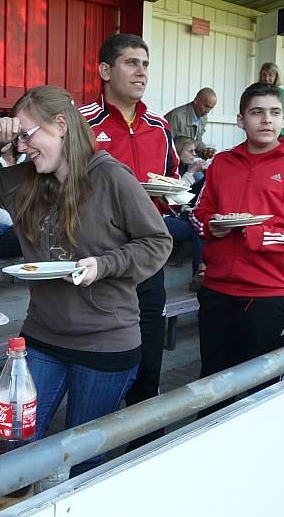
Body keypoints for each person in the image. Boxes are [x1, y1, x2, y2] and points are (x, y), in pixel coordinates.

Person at [0, 85, 172, 475]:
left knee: (84, 460)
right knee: (13, 445)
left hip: (106, 343)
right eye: (18, 140)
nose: (23, 147)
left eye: (28, 135)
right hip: (42, 337)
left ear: (61, 125)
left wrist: (104, 265)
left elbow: (158, 242)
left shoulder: (111, 176)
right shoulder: (25, 179)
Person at [190, 82, 284, 413]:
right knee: (212, 386)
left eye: (274, 113)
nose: (266, 120)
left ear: (283, 120)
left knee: (263, 394)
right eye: (257, 112)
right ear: (241, 120)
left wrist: (262, 236)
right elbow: (198, 213)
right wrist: (212, 226)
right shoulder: (222, 162)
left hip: (272, 292)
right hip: (218, 290)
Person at [79, 33, 182, 448]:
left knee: (149, 356)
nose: (141, 72)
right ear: (105, 71)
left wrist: (170, 192)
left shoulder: (159, 126)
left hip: (147, 259)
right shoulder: (81, 122)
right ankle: (92, 446)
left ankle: (146, 446)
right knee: (100, 361)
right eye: (131, 63)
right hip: (98, 261)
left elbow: (172, 178)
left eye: (145, 64)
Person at [165, 137, 206, 288]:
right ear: (178, 152)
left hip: (183, 216)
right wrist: (191, 172)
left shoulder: (188, 171)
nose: (194, 154)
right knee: (199, 227)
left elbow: (193, 196)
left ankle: (200, 271)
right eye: (190, 151)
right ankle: (200, 272)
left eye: (195, 151)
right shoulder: (170, 171)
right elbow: (174, 197)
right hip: (166, 216)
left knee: (201, 224)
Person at [164, 88, 218, 154]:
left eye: (211, 108)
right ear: (196, 100)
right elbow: (164, 144)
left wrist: (204, 152)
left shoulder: (203, 118)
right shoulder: (176, 116)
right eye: (206, 106)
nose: (208, 111)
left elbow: (196, 142)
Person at [258, 62, 284, 136]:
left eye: (270, 75)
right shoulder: (256, 91)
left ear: (276, 76)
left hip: (280, 134)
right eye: (264, 75)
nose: (266, 78)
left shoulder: (282, 93)